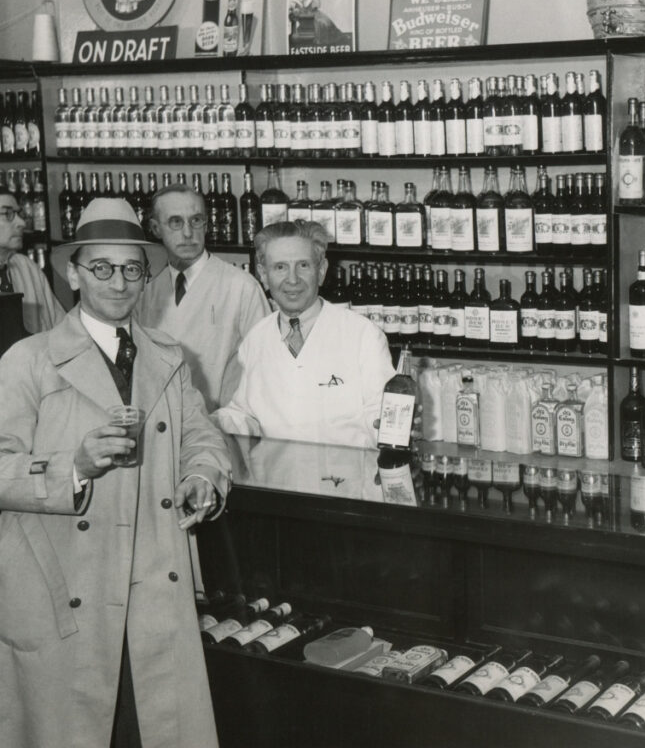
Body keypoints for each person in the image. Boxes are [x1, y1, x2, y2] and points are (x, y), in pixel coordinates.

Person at [0, 198, 231, 748]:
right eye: (101, 267)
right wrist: (72, 467)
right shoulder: (27, 360)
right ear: (75, 274)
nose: (119, 282)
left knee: (146, 726)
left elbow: (202, 437)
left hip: (151, 583)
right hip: (64, 585)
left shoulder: (168, 355)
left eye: (132, 268)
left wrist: (203, 475)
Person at [214, 221, 394, 483]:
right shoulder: (256, 338)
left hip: (346, 492)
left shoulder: (363, 335)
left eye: (303, 265)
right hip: (277, 489)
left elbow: (379, 416)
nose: (292, 280)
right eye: (280, 267)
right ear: (263, 274)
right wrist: (207, 422)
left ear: (321, 271)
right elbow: (245, 415)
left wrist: (392, 422)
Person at [136, 183, 269, 410]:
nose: (188, 233)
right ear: (155, 228)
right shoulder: (144, 290)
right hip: (162, 423)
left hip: (223, 427)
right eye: (175, 222)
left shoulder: (241, 287)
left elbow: (266, 369)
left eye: (196, 220)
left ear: (206, 225)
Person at [0, 187, 65, 333]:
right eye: (8, 214)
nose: (22, 223)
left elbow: (60, 330)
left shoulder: (27, 268)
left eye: (19, 214)